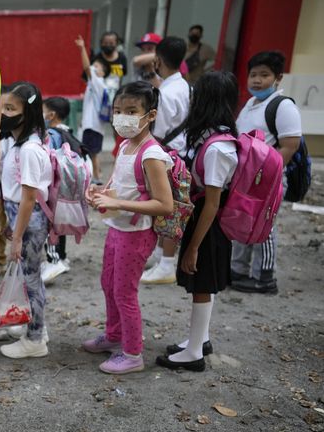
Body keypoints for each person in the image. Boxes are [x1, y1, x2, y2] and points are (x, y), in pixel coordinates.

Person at [84, 82, 174, 374]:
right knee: (108, 284)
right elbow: (116, 184)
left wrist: (121, 204)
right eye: (118, 110)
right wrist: (99, 192)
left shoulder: (152, 155)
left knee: (124, 292)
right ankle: (113, 336)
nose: (122, 117)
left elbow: (164, 204)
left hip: (136, 234)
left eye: (131, 111)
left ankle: (133, 353)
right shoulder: (125, 145)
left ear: (150, 115)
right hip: (117, 227)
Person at [157, 71, 240, 372]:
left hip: (209, 223)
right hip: (207, 218)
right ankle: (199, 339)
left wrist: (193, 246)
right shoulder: (215, 138)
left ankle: (194, 353)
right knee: (204, 283)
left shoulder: (218, 148)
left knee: (202, 284)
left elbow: (213, 202)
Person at [230, 51, 302, 295]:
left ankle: (264, 278)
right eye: (253, 75)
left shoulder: (282, 106)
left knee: (265, 224)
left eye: (264, 75)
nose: (257, 80)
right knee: (243, 220)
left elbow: (289, 145)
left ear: (278, 78)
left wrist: (269, 176)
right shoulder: (251, 104)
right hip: (246, 177)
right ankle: (238, 270)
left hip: (269, 180)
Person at [0, 82, 53, 359]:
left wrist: (17, 237)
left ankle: (35, 339)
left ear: (27, 112)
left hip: (29, 221)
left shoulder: (29, 150)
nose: (4, 113)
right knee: (30, 277)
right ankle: (35, 329)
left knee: (31, 279)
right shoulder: (20, 145)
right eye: (2, 107)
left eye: (10, 108)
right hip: (22, 218)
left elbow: (29, 198)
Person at [141, 36, 191, 286]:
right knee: (171, 205)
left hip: (166, 154)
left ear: (158, 60)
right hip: (181, 152)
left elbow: (157, 130)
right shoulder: (185, 87)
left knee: (167, 207)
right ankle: (162, 256)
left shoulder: (164, 93)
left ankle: (167, 262)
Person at [41, 96, 85, 284]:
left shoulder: (52, 134)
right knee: (61, 223)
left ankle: (54, 260)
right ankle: (63, 257)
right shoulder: (69, 132)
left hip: (55, 187)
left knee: (50, 226)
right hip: (68, 188)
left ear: (51, 114)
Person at [76, 34, 111, 182]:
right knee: (93, 153)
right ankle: (97, 178)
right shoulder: (100, 86)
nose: (92, 67)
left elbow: (85, 67)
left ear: (102, 73)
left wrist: (82, 48)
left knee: (91, 154)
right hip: (94, 127)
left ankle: (95, 180)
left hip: (92, 128)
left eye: (96, 66)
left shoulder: (97, 82)